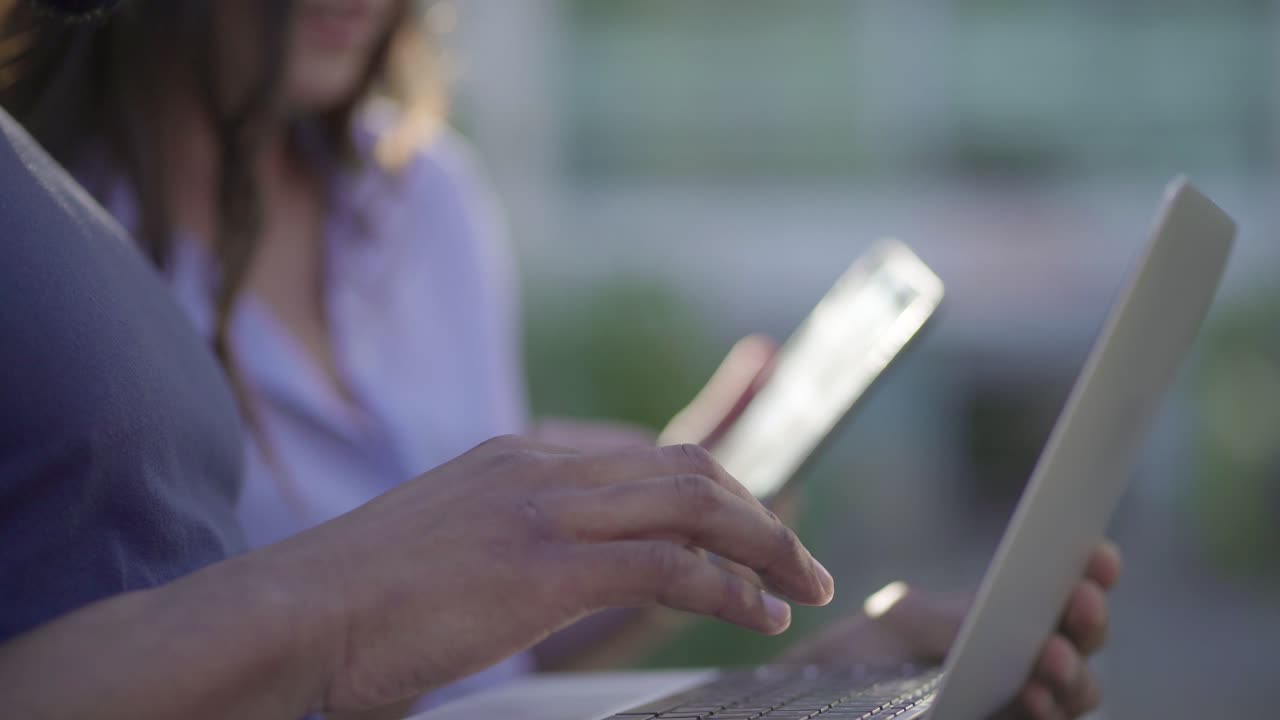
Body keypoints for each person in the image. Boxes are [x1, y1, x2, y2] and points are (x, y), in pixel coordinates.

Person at [0, 1, 1119, 718]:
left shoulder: (426, 203)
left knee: (888, 677)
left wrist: (642, 546)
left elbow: (482, 672)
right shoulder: (63, 270)